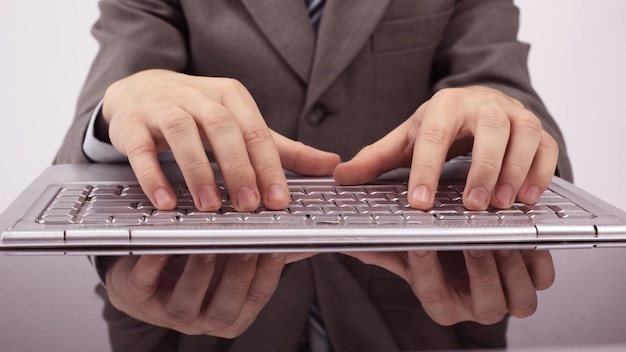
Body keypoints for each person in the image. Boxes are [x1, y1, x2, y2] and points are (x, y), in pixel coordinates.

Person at [55, 0, 573, 351]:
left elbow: (520, 113)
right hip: (197, 298)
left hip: (423, 308)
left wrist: (499, 117)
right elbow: (77, 155)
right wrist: (119, 106)